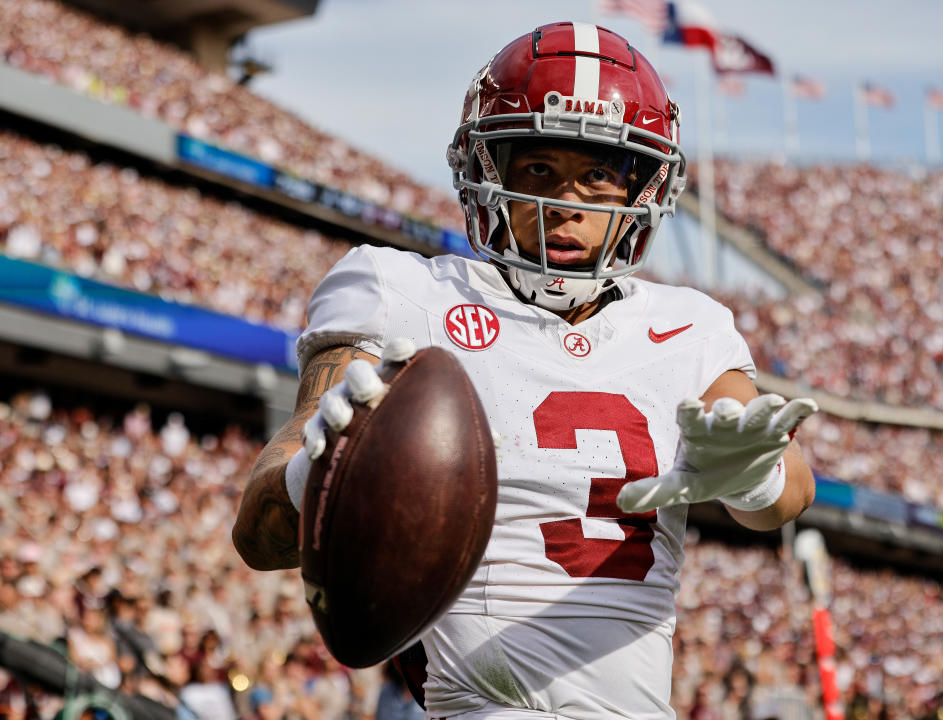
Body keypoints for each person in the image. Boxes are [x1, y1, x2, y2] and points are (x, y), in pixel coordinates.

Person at [233, 22, 817, 720]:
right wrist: (317, 477)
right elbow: (257, 536)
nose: (567, 205)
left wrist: (754, 474)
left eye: (598, 174)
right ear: (488, 172)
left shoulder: (690, 327)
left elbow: (791, 493)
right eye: (539, 169)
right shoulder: (401, 291)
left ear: (642, 189)